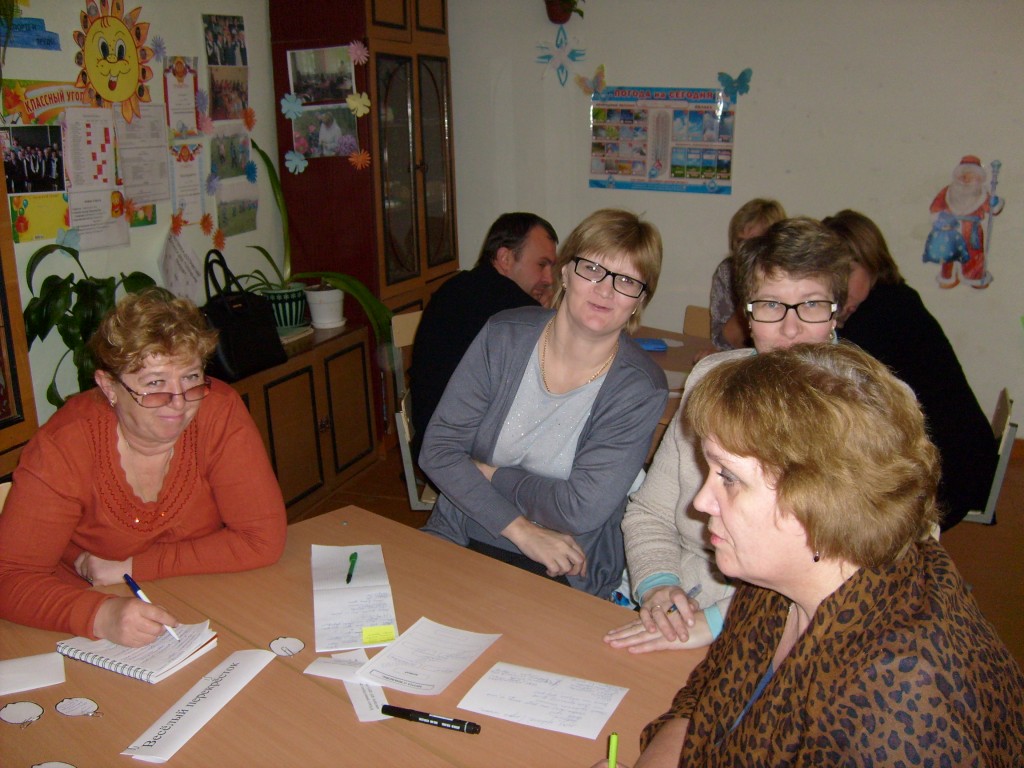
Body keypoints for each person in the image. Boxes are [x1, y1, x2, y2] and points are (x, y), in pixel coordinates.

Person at [595, 343, 1024, 767]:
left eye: (728, 477)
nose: (701, 501)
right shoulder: (780, 581)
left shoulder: (899, 699)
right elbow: (705, 704)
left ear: (818, 502)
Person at [608, 217, 848, 652]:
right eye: (771, 305)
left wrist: (720, 621)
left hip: (795, 632)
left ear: (837, 312)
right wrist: (658, 586)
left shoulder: (870, 410)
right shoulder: (711, 379)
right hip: (684, 599)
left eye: (811, 305)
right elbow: (650, 513)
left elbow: (860, 566)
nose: (790, 328)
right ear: (747, 315)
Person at [0, 290, 287, 647]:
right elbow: (9, 578)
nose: (179, 403)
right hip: (85, 613)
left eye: (191, 377)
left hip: (202, 594)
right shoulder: (65, 447)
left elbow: (262, 539)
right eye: (154, 384)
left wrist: (133, 566)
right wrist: (101, 615)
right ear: (109, 387)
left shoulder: (218, 411)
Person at [419, 208, 667, 599]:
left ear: (640, 300)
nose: (605, 290)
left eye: (626, 281)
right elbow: (437, 451)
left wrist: (491, 475)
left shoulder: (640, 388)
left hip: (567, 561)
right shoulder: (504, 336)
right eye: (592, 269)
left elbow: (579, 510)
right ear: (564, 272)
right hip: (464, 528)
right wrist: (521, 530)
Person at [823, 209, 996, 529]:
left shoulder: (881, 314)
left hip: (950, 471)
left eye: (847, 272)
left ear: (872, 262)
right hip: (962, 455)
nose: (839, 286)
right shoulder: (895, 298)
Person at [410, 212, 558, 460]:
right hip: (459, 451)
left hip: (436, 432)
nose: (548, 279)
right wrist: (542, 315)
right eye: (541, 265)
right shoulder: (513, 309)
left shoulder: (460, 286)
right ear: (505, 258)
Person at [708, 198, 786, 351]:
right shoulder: (727, 271)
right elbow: (721, 341)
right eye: (740, 241)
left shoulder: (790, 277)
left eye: (754, 242)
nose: (745, 250)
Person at [926, 155, 1003, 289]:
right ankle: (949, 278)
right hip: (950, 230)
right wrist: (941, 219)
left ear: (978, 178)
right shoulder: (948, 191)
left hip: (971, 231)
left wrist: (994, 203)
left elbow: (992, 209)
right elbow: (936, 207)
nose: (966, 179)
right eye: (964, 176)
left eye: (971, 176)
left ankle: (975, 278)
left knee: (974, 255)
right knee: (949, 255)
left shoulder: (982, 194)